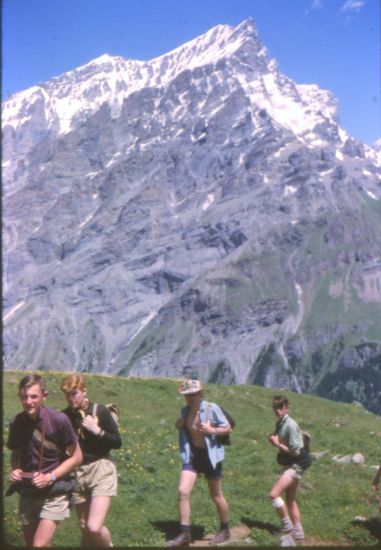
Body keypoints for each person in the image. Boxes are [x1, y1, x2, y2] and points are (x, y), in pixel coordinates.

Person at [7, 374, 83, 547]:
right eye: (24, 396)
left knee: (39, 545)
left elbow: (77, 457)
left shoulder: (59, 420)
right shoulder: (16, 422)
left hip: (55, 491)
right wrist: (15, 470)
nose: (29, 401)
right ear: (19, 396)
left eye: (34, 396)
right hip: (28, 491)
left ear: (44, 396)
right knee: (32, 544)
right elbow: (15, 454)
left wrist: (50, 477)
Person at [166, 379, 232, 547]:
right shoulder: (185, 410)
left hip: (211, 457)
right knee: (183, 491)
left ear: (200, 394)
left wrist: (212, 430)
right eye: (187, 395)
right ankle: (185, 534)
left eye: (193, 394)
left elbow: (228, 428)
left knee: (216, 495)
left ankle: (225, 529)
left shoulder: (212, 408)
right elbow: (188, 429)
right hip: (193, 456)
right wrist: (179, 425)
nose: (190, 397)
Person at [61, 374, 122, 547]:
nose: (71, 399)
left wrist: (97, 431)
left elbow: (117, 442)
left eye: (74, 394)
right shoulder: (64, 416)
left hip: (101, 468)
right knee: (83, 526)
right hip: (77, 472)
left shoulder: (100, 411)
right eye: (67, 395)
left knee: (94, 527)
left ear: (84, 391)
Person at [268, 395, 311, 547]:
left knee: (273, 494)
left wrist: (277, 445)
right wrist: (274, 439)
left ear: (286, 407)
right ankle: (298, 533)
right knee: (290, 500)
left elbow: (296, 452)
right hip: (294, 462)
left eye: (281, 407)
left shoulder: (290, 425)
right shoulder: (281, 423)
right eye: (275, 408)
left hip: (298, 462)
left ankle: (288, 528)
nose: (278, 411)